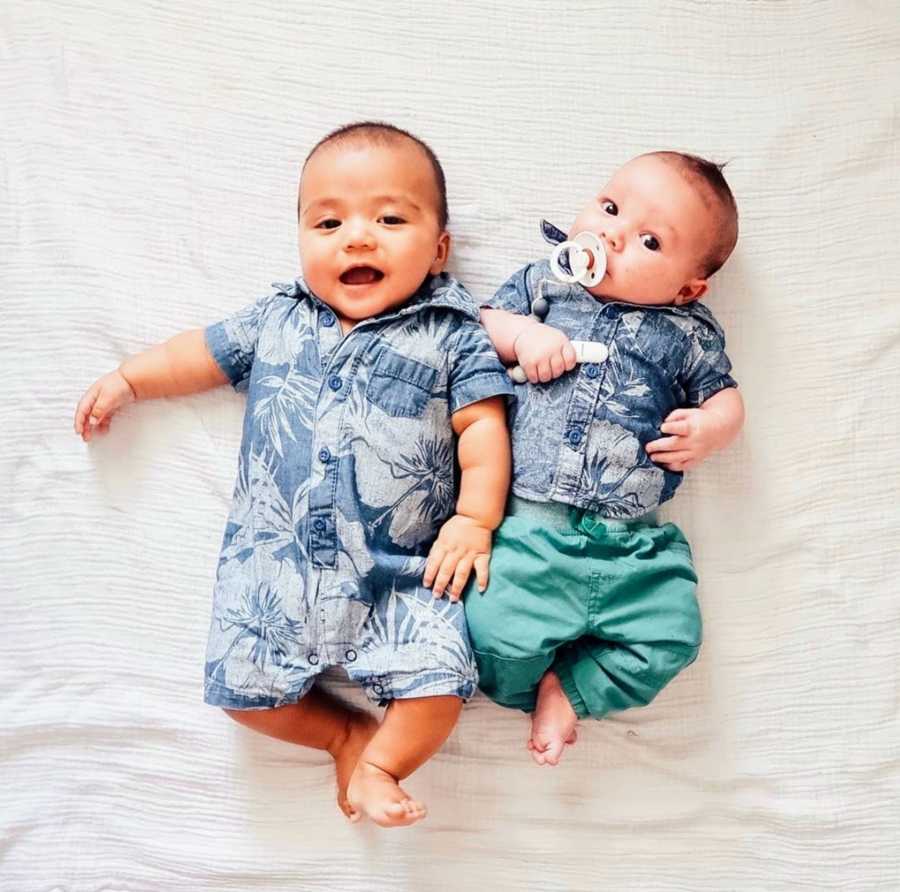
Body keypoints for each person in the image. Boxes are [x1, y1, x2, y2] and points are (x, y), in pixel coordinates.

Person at [73, 122, 513, 826]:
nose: (358, 237)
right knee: (241, 695)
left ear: (440, 249)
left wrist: (474, 518)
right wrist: (132, 378)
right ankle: (343, 734)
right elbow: (199, 354)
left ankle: (380, 763)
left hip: (401, 575)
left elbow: (483, 428)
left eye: (390, 218)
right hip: (272, 577)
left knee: (439, 687)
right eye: (328, 221)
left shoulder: (452, 333)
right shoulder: (277, 319)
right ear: (302, 238)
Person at [467, 151, 745, 766]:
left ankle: (571, 689)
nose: (612, 234)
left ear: (688, 287)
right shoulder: (546, 284)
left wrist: (712, 428)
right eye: (610, 208)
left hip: (632, 550)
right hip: (533, 536)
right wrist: (524, 337)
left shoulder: (688, 331)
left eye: (648, 240)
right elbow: (476, 324)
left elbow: (726, 396)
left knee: (674, 638)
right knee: (491, 643)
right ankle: (535, 684)